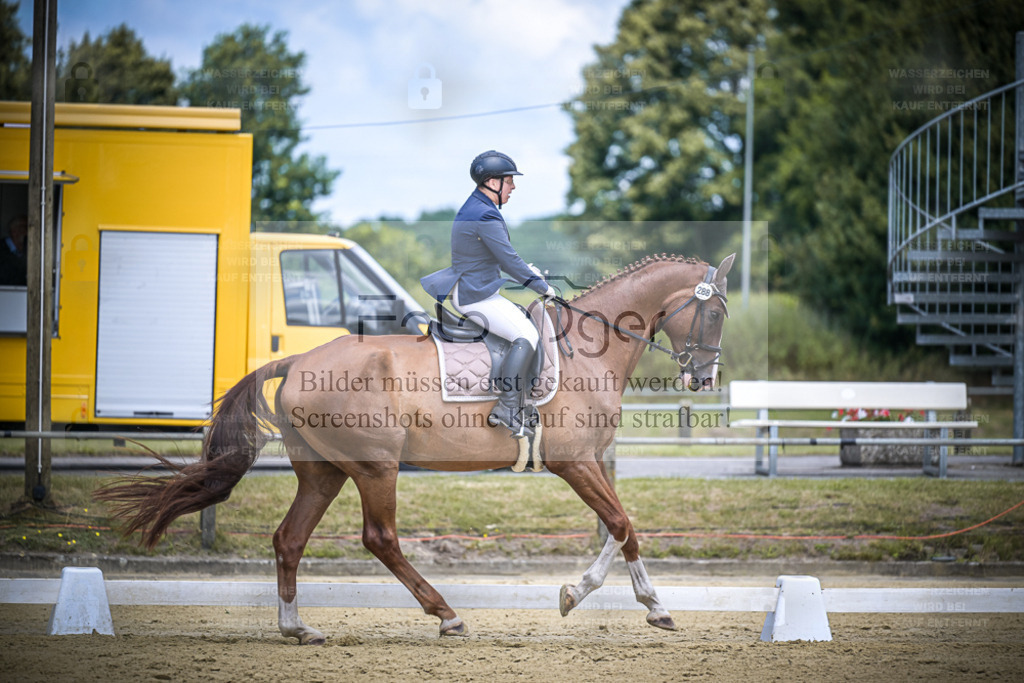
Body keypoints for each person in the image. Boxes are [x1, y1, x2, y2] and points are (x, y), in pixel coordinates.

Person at [421, 151, 555, 437]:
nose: (513, 187)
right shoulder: (484, 213)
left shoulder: (477, 207)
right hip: (475, 295)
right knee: (527, 336)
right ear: (492, 181)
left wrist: (526, 271)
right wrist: (542, 288)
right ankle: (507, 407)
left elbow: (496, 259)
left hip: (476, 287)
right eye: (509, 181)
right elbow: (508, 260)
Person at [0, 214, 28, 286]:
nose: (28, 232)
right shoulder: (2, 249)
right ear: (14, 232)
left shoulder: (27, 250)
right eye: (25, 228)